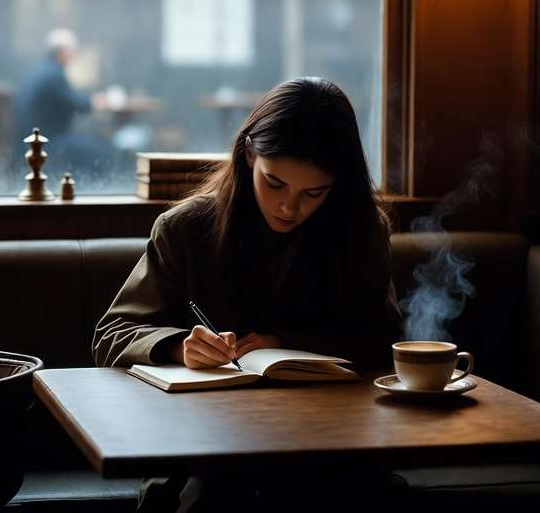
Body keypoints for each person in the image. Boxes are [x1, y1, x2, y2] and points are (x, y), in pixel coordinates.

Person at [92, 77, 401, 512]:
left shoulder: (361, 232)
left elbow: (385, 338)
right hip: (203, 445)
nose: (289, 208)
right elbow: (113, 332)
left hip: (331, 440)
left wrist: (288, 344)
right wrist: (178, 346)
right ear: (249, 154)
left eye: (313, 193)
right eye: (274, 183)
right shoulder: (186, 228)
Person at [13, 28, 114, 177]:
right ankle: (91, 188)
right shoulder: (53, 75)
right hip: (46, 140)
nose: (74, 55)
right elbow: (80, 105)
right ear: (63, 52)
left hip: (34, 137)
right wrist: (98, 101)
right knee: (100, 150)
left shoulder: (42, 70)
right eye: (73, 50)